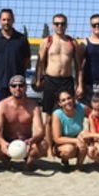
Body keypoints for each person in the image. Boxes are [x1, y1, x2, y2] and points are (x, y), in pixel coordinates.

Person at [34, 13, 80, 143]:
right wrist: (38, 79)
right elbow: (40, 63)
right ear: (52, 25)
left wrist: (79, 84)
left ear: (66, 25)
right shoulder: (47, 41)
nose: (60, 26)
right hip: (51, 81)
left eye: (62, 23)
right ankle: (49, 148)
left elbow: (78, 66)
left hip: (66, 81)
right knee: (48, 117)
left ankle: (64, 143)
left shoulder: (72, 42)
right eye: (57, 23)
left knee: (68, 114)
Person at [0, 75, 46, 169]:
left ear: (26, 87)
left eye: (21, 85)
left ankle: (28, 163)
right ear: (10, 88)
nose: (17, 88)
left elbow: (40, 130)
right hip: (8, 143)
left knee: (43, 145)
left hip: (27, 143)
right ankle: (7, 162)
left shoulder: (33, 106)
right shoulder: (3, 105)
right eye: (14, 86)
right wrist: (2, 143)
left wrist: (32, 140)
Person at [0, 8, 31, 102]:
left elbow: (26, 60)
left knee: (17, 114)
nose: (6, 22)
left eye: (9, 19)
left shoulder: (21, 39)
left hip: (17, 85)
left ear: (13, 20)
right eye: (4, 19)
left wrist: (18, 73)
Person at [50, 90, 90, 170]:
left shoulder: (80, 107)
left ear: (73, 98)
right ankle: (65, 160)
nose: (67, 101)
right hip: (62, 143)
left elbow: (94, 115)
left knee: (86, 136)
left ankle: (79, 166)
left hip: (77, 137)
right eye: (63, 100)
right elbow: (57, 139)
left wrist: (91, 130)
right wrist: (76, 141)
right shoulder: (57, 114)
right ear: (59, 103)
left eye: (69, 98)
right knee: (69, 150)